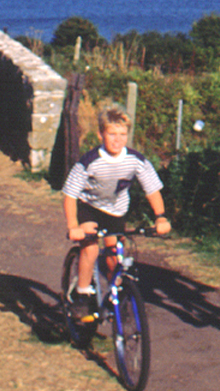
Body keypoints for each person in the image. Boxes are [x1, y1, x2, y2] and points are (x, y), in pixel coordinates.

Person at [62, 105, 171, 323]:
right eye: (112, 134)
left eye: (122, 135)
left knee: (114, 257)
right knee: (91, 249)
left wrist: (160, 216)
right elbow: (70, 196)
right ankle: (81, 294)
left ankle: (118, 299)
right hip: (88, 208)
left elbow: (152, 190)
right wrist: (73, 225)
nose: (117, 140)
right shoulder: (89, 161)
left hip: (116, 210)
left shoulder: (135, 160)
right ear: (101, 134)